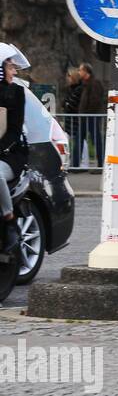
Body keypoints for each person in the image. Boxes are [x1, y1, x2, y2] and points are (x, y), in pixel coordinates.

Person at [0, 53, 28, 252]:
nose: (14, 72)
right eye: (10, 67)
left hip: (9, 153)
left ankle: (9, 219)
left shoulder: (17, 92)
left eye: (12, 68)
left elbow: (14, 130)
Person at [76, 62, 106, 167]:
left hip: (91, 116)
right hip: (85, 116)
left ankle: (101, 163)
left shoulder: (94, 83)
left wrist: (87, 112)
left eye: (80, 70)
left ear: (86, 71)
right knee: (79, 139)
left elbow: (95, 100)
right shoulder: (85, 84)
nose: (78, 72)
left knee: (96, 140)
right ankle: (75, 164)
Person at [62, 67, 84, 169]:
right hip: (69, 119)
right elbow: (64, 103)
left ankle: (82, 163)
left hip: (75, 119)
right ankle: (67, 163)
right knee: (67, 140)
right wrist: (66, 104)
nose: (68, 79)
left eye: (69, 77)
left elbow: (71, 104)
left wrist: (67, 104)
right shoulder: (69, 89)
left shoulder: (79, 89)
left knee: (79, 141)